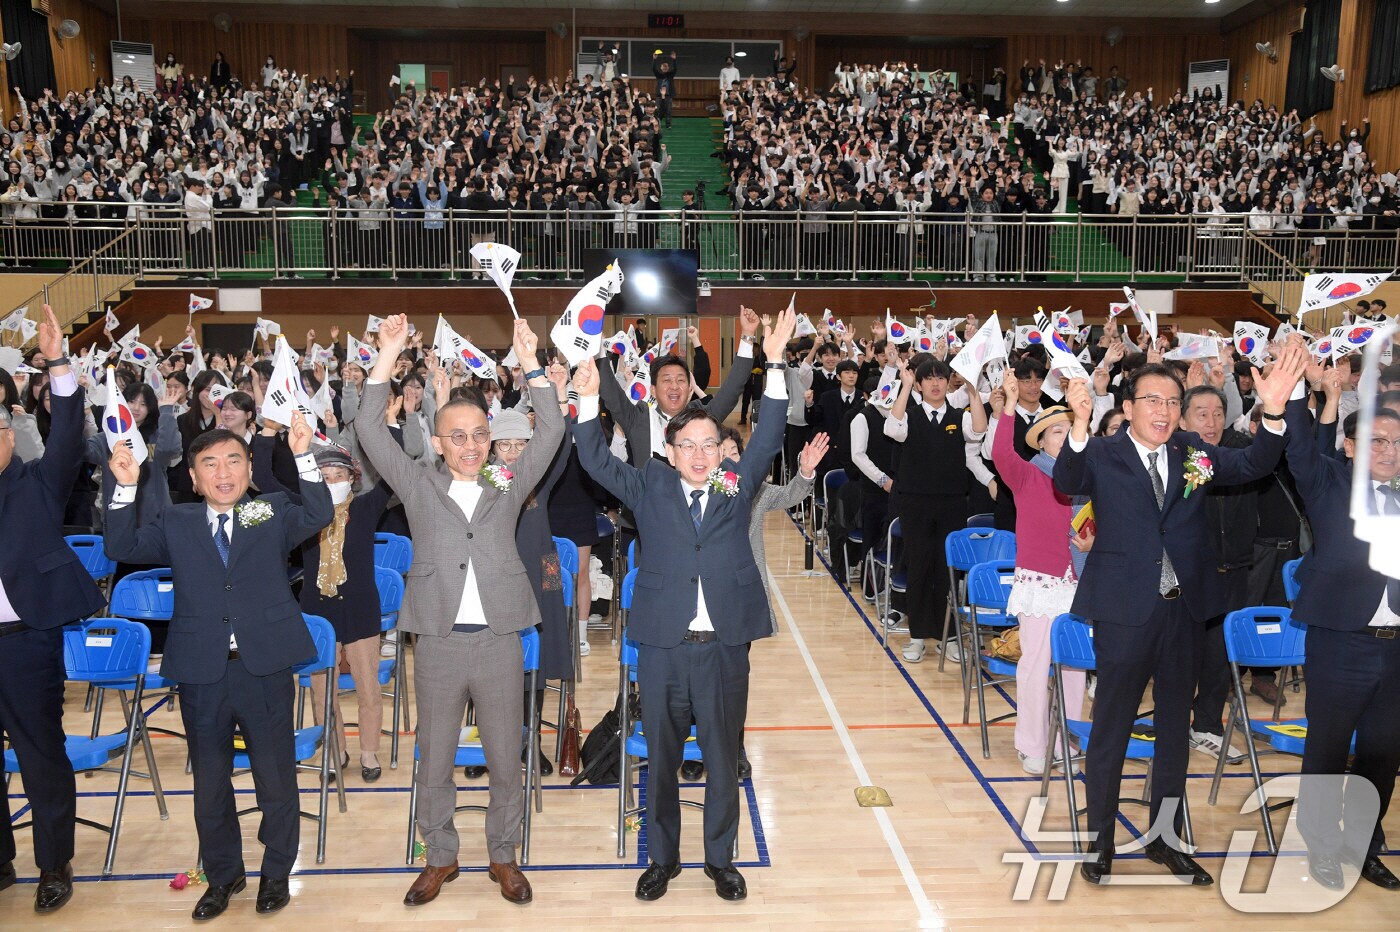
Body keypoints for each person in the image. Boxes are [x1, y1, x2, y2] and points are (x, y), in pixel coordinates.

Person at [1053, 347, 1305, 887]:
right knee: (1113, 725)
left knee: (1174, 729)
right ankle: (1100, 840)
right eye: (1153, 401)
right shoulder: (1102, 452)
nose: (1164, 411)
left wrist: (1276, 413)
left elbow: (1254, 463)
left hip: (1184, 611)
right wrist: (1078, 420)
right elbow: (1065, 478)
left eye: (1173, 401)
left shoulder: (1192, 450)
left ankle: (1165, 839)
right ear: (1129, 405)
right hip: (1124, 610)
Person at [571, 307, 796, 903]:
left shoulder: (732, 485)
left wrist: (772, 361)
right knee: (662, 763)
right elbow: (593, 459)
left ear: (721, 451)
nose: (699, 454)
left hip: (724, 647)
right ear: (669, 450)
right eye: (687, 444)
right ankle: (662, 860)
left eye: (709, 444)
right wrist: (590, 399)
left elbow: (770, 433)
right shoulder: (649, 485)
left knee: (724, 761)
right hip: (663, 647)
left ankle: (720, 859)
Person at [357, 315, 559, 909]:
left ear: (489, 438)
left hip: (498, 639)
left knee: (504, 757)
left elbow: (549, 433)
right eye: (457, 437)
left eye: (478, 435)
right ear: (438, 442)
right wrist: (388, 356)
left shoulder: (505, 478)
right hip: (439, 641)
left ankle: (503, 855)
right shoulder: (417, 484)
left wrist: (531, 365)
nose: (469, 446)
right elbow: (368, 426)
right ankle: (440, 856)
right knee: (436, 758)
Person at [104, 411, 332, 920]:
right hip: (202, 669)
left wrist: (303, 456)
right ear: (193, 477)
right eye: (210, 464)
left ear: (249, 468)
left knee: (275, 779)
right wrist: (123, 489)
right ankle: (224, 875)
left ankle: (276, 872)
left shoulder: (263, 512)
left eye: (234, 460)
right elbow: (121, 546)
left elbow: (317, 516)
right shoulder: (179, 521)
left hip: (264, 666)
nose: (223, 472)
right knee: (209, 784)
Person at [0, 306, 104, 914]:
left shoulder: (37, 482)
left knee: (40, 753)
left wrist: (58, 363)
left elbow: (68, 431)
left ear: (10, 436)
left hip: (24, 641)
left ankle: (53, 864)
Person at [1283, 393, 1400, 891]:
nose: (1389, 451)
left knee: (1383, 751)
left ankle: (1363, 845)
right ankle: (1321, 847)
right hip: (1341, 641)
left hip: (1396, 648)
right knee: (1328, 749)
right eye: (1376, 441)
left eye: (1397, 442)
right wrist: (1300, 395)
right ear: (1349, 447)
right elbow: (1300, 449)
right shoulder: (1328, 482)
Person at [252, 433, 390, 783]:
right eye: (323, 477)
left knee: (368, 687)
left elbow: (393, 475)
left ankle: (369, 751)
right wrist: (267, 434)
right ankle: (335, 751)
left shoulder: (366, 507)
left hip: (361, 610)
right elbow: (264, 479)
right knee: (320, 690)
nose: (332, 483)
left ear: (352, 478)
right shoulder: (303, 509)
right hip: (316, 611)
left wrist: (385, 426)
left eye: (338, 476)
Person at [988, 377, 1091, 775]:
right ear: (1043, 441)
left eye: (1070, 430)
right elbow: (1000, 452)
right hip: (1041, 583)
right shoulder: (1028, 475)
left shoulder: (1085, 480)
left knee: (1075, 667)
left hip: (1079, 582)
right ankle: (1031, 743)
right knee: (1036, 663)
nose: (1064, 438)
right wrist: (1010, 405)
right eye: (1057, 432)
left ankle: (1066, 738)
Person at [885, 355, 988, 663]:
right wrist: (904, 388)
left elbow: (980, 430)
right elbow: (893, 428)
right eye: (928, 379)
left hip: (953, 503)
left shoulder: (959, 414)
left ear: (947, 382)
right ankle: (917, 637)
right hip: (915, 503)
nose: (935, 383)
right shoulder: (910, 415)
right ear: (919, 384)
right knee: (918, 567)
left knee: (948, 570)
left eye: (940, 378)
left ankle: (950, 637)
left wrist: (973, 391)